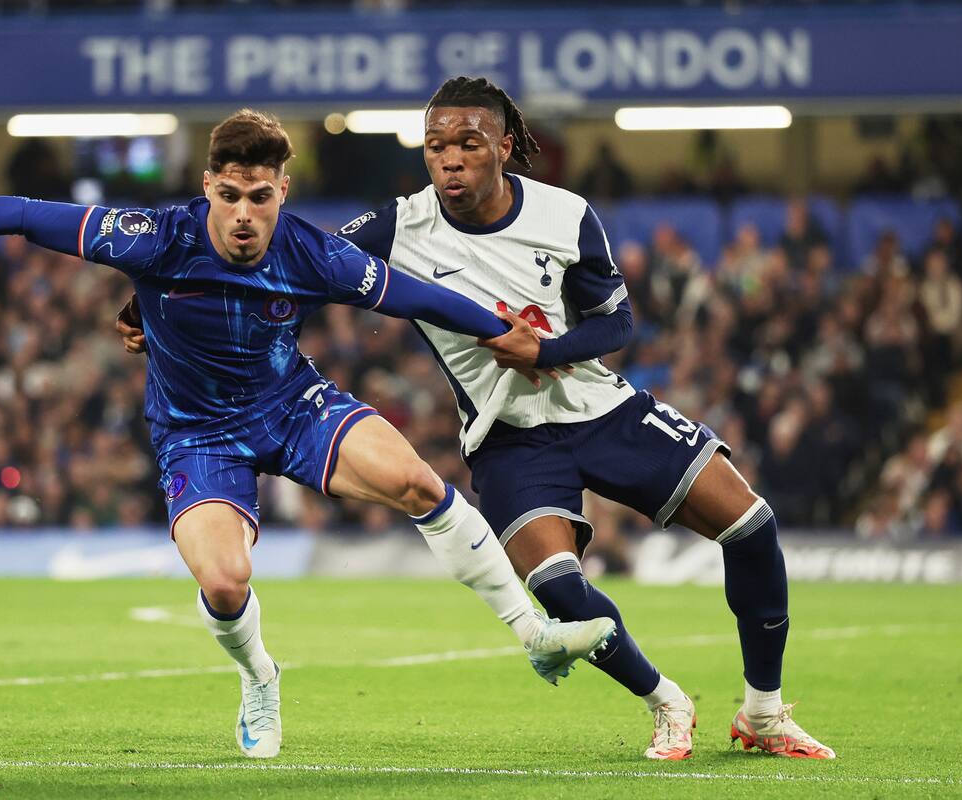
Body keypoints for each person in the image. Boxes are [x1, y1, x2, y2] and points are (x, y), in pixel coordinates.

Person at [0, 110, 616, 761]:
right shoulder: (151, 237)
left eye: (259, 196)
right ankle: (259, 677)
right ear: (206, 188)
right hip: (198, 434)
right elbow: (21, 213)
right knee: (223, 584)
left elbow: (420, 295)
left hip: (293, 406)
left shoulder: (312, 252)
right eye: (228, 195)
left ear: (282, 190)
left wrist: (508, 334)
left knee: (418, 481)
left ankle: (532, 631)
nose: (244, 214)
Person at [117, 80, 835, 761]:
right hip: (507, 436)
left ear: (505, 145)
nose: (449, 159)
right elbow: (295, 267)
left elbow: (616, 320)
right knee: (556, 586)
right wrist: (164, 304)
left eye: (467, 142)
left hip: (602, 407)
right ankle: (665, 702)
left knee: (751, 524)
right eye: (434, 146)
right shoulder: (401, 224)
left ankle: (765, 711)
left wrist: (549, 348)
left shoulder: (566, 213)